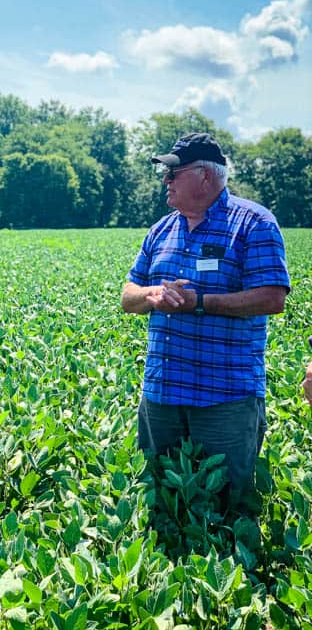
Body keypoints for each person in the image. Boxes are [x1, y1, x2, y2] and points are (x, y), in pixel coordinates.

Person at [121, 133, 290, 517]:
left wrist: (199, 303)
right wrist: (151, 296)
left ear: (203, 176)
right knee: (161, 501)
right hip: (162, 393)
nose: (165, 181)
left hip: (225, 397)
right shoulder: (161, 230)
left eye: (172, 173)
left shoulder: (254, 224)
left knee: (224, 509)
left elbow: (272, 297)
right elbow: (127, 294)